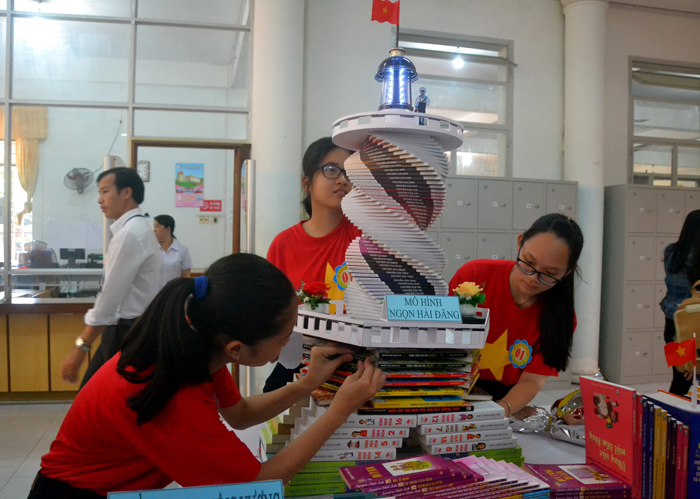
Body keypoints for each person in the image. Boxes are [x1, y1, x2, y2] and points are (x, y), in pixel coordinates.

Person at [29, 253, 385, 498]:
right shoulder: (174, 395)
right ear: (236, 349)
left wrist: (308, 383)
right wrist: (340, 409)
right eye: (283, 337)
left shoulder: (192, 343)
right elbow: (260, 483)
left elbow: (240, 414)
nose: (288, 344)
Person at [449, 213, 584, 418]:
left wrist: (499, 411)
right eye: (528, 262)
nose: (532, 278)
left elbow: (532, 381)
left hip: (506, 397)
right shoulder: (474, 276)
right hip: (450, 385)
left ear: (567, 272)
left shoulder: (561, 318)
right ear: (520, 243)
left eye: (549, 273)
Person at [264, 137, 361, 393]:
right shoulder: (283, 244)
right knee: (272, 397)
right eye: (331, 170)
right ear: (306, 183)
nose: (342, 180)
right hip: (297, 359)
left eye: (349, 173)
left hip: (355, 360)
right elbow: (270, 311)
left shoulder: (365, 238)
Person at [61, 167, 161, 389]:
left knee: (93, 399)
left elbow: (109, 298)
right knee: (99, 399)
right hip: (133, 330)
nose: (100, 200)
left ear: (126, 192)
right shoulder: (136, 229)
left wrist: (81, 348)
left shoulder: (129, 234)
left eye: (105, 191)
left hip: (127, 332)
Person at [659, 209, 700, 396]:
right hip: (696, 326)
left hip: (673, 325)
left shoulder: (671, 252)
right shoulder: (696, 258)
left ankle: (671, 412)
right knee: (694, 376)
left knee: (679, 379)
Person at [153, 214, 193, 288]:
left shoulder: (182, 249)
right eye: (154, 227)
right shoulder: (151, 248)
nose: (154, 230)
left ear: (168, 229)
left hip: (174, 292)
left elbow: (186, 275)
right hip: (155, 292)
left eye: (157, 226)